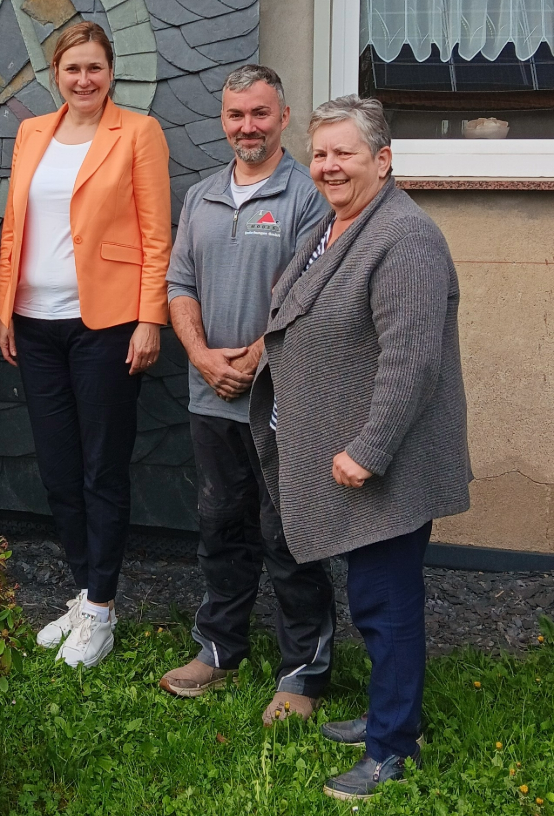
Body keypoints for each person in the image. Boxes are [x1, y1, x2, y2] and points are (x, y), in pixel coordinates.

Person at [249, 95, 471, 801]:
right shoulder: (340, 224)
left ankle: (392, 748)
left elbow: (413, 362)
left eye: (343, 152)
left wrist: (370, 449)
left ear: (383, 159)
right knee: (375, 596)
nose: (327, 166)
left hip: (386, 462)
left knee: (385, 601)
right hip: (346, 454)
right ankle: (390, 714)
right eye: (319, 153)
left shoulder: (404, 237)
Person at [160, 64, 336, 724]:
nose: (248, 127)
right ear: (223, 120)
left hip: (280, 399)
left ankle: (303, 672)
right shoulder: (202, 196)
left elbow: (306, 296)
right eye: (236, 115)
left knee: (288, 534)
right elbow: (179, 284)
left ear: (283, 118)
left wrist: (254, 358)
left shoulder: (308, 197)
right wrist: (202, 356)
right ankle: (218, 648)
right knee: (220, 526)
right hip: (210, 395)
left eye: (260, 113)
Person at [0, 21, 172, 668]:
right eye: (72, 68)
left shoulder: (139, 133)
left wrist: (150, 319)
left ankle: (100, 607)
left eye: (95, 67)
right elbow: (15, 224)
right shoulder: (31, 132)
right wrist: (5, 309)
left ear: (111, 72)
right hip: (35, 324)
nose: (84, 79)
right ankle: (85, 593)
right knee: (58, 468)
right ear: (55, 74)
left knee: (101, 467)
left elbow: (156, 234)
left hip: (107, 325)